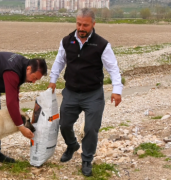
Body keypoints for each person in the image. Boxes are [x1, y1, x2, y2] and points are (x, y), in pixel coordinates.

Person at [47, 8, 123, 177]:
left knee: (91, 128)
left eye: (85, 25)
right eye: (79, 24)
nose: (81, 28)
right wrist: (53, 80)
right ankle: (72, 145)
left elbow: (113, 69)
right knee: (64, 124)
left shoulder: (102, 44)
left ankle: (87, 159)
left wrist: (117, 90)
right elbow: (59, 62)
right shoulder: (67, 41)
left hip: (93, 94)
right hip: (71, 92)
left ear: (93, 24)